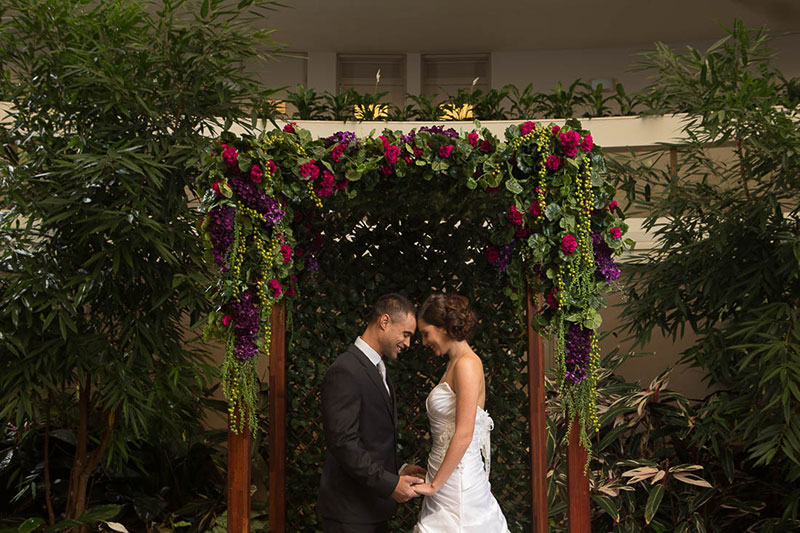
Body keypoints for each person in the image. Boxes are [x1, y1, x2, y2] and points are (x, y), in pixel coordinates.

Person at [318, 293, 427, 533]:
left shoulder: (378, 368)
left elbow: (372, 438)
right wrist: (390, 484)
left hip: (370, 510)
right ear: (385, 322)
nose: (408, 343)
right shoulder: (346, 370)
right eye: (406, 334)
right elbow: (344, 443)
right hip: (350, 514)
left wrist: (397, 472)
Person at [413, 293, 510, 532]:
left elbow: (465, 433)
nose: (424, 342)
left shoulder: (467, 364)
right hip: (446, 478)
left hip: (458, 482)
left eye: (426, 333)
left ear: (444, 328)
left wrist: (435, 484)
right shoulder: (454, 364)